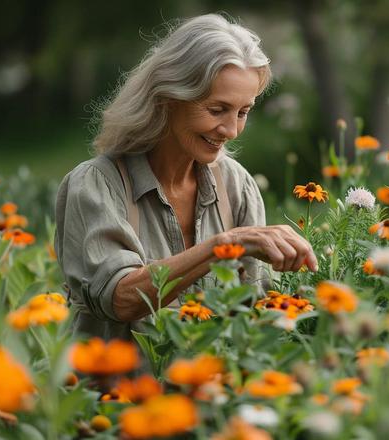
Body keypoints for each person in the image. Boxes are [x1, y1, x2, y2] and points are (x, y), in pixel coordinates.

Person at [54, 14, 318, 340]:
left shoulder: (237, 185)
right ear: (168, 98)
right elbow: (120, 299)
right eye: (217, 109)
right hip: (120, 389)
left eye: (243, 112)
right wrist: (224, 246)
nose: (231, 130)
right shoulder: (97, 185)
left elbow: (255, 311)